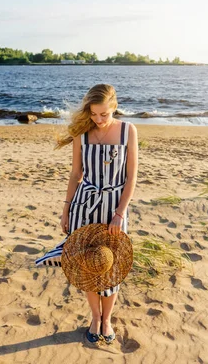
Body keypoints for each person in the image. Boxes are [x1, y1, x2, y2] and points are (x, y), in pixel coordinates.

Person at [35, 84, 138, 344]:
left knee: (112, 267)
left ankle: (107, 319)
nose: (98, 119)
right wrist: (66, 209)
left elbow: (131, 177)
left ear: (114, 106)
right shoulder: (82, 133)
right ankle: (95, 317)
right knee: (89, 266)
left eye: (103, 114)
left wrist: (120, 213)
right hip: (85, 206)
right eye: (93, 114)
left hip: (115, 207)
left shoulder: (128, 131)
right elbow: (76, 174)